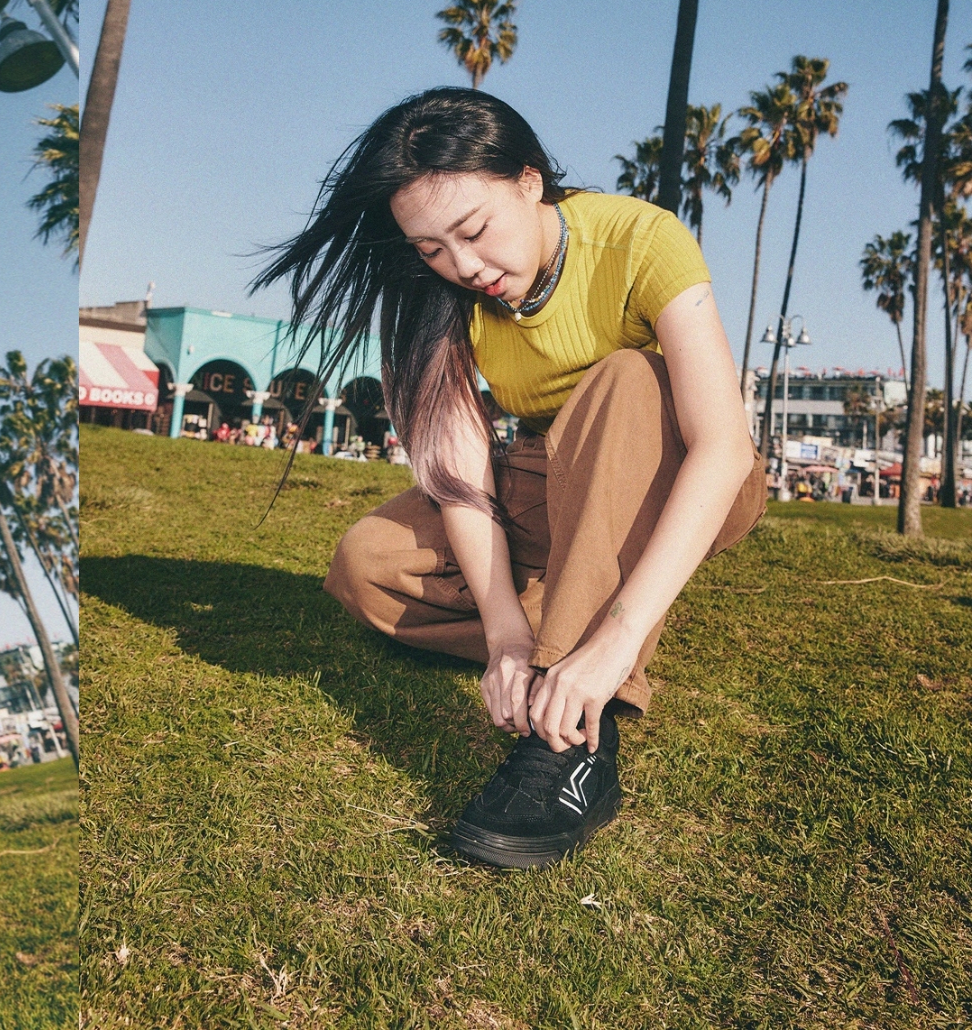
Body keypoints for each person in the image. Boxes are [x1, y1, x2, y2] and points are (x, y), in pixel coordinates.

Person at [255, 87, 761, 871]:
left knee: (626, 377)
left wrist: (612, 642)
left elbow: (724, 448)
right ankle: (556, 629)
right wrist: (503, 634)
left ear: (529, 181)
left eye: (472, 231)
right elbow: (461, 474)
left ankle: (570, 740)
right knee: (366, 565)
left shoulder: (640, 239)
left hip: (675, 467)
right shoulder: (440, 298)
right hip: (543, 477)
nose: (462, 266)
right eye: (429, 248)